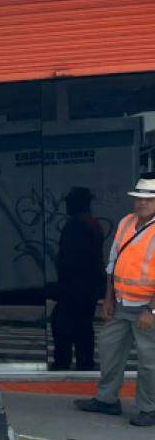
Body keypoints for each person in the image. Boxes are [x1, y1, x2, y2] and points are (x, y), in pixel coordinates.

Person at [75, 173, 155, 426]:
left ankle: (149, 409)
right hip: (122, 303)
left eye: (148, 199)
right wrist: (108, 299)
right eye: (139, 199)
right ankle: (107, 400)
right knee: (109, 350)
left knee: (149, 362)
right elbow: (113, 263)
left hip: (147, 307)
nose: (141, 203)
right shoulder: (126, 222)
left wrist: (151, 311)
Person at [51, 187, 104, 371]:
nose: (66, 205)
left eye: (69, 201)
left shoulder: (76, 224)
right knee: (82, 325)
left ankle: (64, 362)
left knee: (62, 323)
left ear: (77, 203)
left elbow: (71, 258)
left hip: (76, 285)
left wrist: (63, 284)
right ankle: (84, 362)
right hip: (88, 285)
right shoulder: (92, 222)